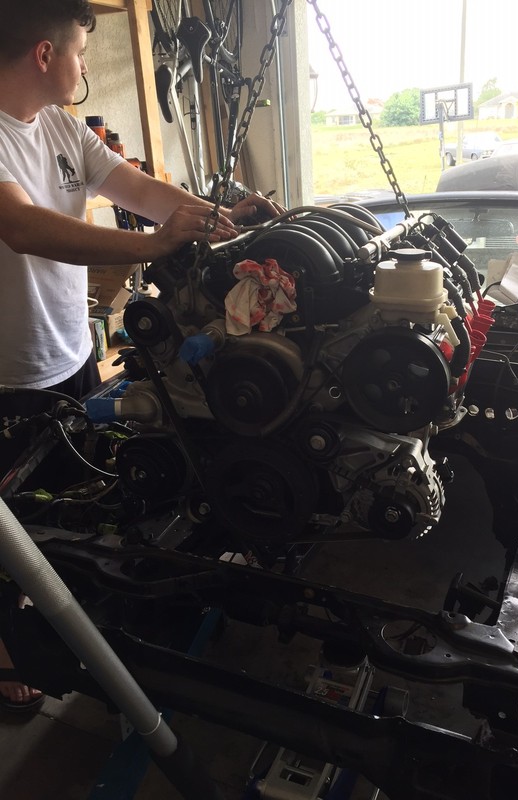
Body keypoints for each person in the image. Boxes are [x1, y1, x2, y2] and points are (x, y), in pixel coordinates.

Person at [0, 0, 283, 709]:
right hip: (5, 376)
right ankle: (5, 658)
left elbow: (141, 191)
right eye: (80, 53)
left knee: (66, 510)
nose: (84, 67)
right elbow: (22, 227)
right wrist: (154, 243)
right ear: (44, 55)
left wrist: (222, 220)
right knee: (8, 531)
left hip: (68, 355)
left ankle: (64, 625)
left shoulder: (59, 125)